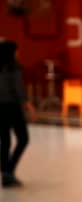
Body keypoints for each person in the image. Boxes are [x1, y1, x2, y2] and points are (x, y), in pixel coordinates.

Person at [0, 40, 36, 187]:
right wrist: (28, 105)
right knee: (23, 138)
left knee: (5, 142)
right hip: (12, 108)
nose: (18, 53)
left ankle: (6, 174)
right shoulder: (13, 68)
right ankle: (8, 170)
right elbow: (18, 89)